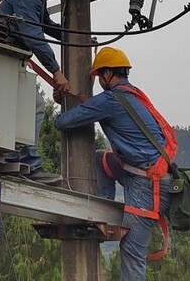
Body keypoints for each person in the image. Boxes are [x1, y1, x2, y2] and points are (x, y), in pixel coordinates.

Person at [54, 46, 176, 281]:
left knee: (132, 252)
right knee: (101, 157)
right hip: (149, 174)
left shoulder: (109, 100)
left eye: (99, 75)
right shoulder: (133, 95)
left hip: (147, 186)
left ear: (108, 74)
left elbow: (63, 122)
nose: (99, 80)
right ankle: (104, 208)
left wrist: (63, 102)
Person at [0, 0, 71, 184]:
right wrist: (56, 70)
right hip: (5, 58)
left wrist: (72, 35)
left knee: (23, 106)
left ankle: (12, 158)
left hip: (6, 59)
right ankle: (27, 163)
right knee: (33, 105)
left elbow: (44, 24)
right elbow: (32, 34)